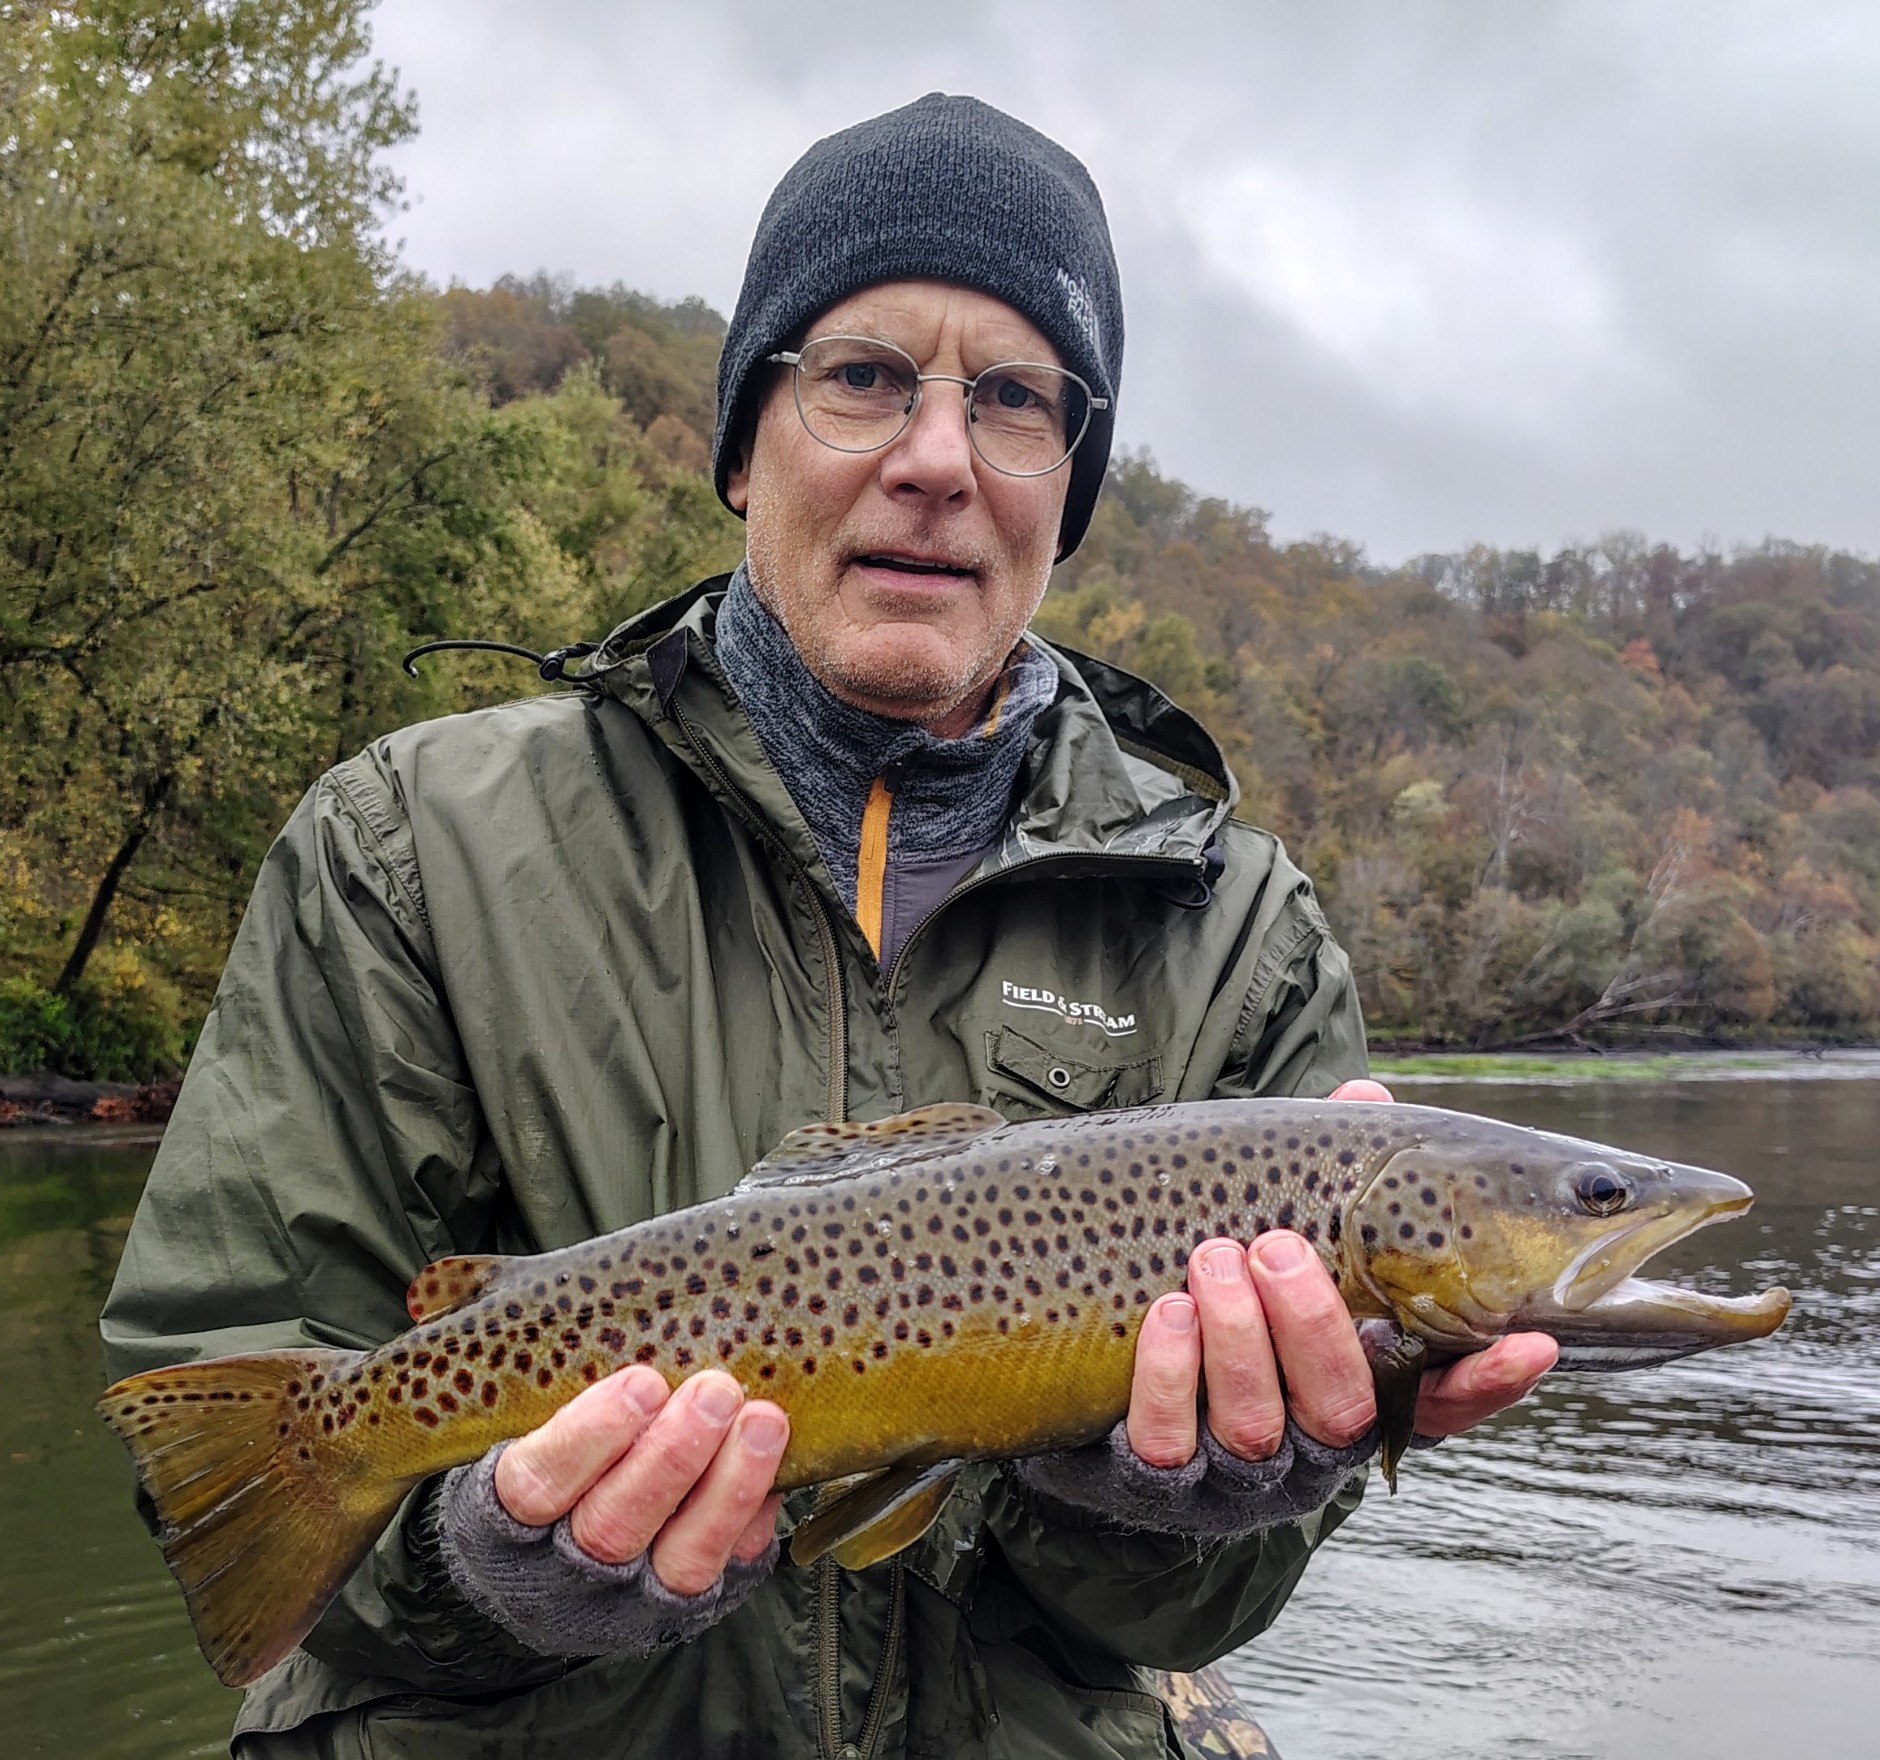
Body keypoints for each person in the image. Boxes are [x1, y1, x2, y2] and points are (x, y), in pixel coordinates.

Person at [102, 95, 1554, 1759]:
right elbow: (240, 1422)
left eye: (1013, 400)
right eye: (863, 377)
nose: (935, 460)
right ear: (743, 445)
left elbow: (1190, 1621)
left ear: (1062, 490)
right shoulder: (408, 848)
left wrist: (1185, 1512)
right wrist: (480, 1573)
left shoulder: (1244, 935)